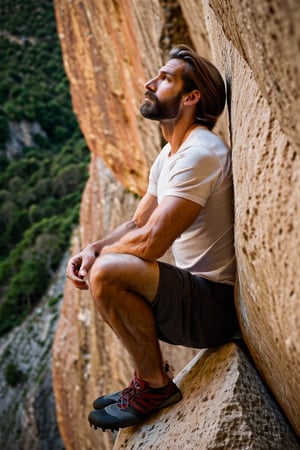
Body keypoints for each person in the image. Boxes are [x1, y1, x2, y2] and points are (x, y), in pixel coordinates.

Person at [66, 44, 238, 432]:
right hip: (195, 298)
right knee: (103, 264)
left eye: (164, 79)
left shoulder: (201, 154)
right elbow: (136, 224)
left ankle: (155, 386)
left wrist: (100, 261)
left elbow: (150, 244)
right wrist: (90, 249)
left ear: (191, 97)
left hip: (213, 306)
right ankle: (146, 377)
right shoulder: (171, 154)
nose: (149, 82)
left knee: (108, 272)